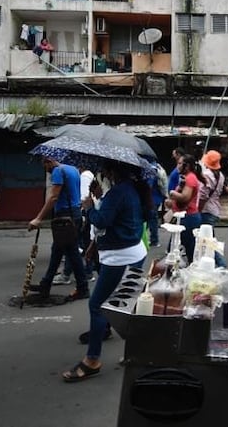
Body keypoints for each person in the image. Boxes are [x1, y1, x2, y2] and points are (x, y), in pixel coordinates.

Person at [63, 162, 147, 382]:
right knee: (121, 303)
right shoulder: (127, 189)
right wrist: (99, 199)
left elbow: (102, 220)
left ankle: (92, 360)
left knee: (97, 304)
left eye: (103, 172)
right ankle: (111, 334)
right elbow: (110, 222)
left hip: (120, 257)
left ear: (110, 172)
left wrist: (90, 206)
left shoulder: (119, 192)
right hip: (128, 252)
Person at [27, 156, 90, 302]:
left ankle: (83, 287)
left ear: (48, 161)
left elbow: (54, 197)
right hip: (74, 212)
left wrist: (39, 218)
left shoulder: (58, 171)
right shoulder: (73, 169)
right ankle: (46, 283)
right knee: (58, 250)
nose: (45, 169)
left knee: (72, 252)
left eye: (44, 165)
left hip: (64, 215)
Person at [167, 154, 203, 264]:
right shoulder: (185, 178)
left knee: (187, 249)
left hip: (188, 217)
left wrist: (173, 194)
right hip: (182, 216)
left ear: (186, 166)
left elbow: (185, 197)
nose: (177, 166)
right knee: (174, 248)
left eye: (180, 163)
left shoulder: (190, 178)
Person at [198, 150, 225, 227]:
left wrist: (198, 210)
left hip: (205, 210)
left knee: (205, 236)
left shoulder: (207, 174)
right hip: (214, 209)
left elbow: (202, 196)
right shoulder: (221, 175)